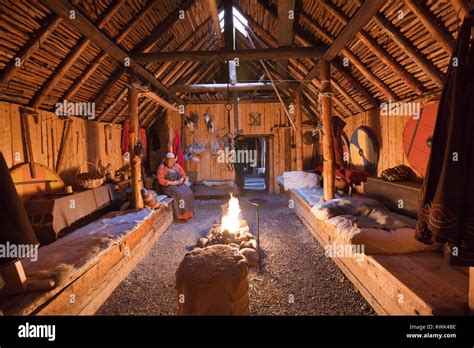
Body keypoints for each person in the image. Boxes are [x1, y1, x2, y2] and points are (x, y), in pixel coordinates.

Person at [157, 152, 194, 221]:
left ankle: (189, 213)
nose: (171, 162)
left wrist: (181, 179)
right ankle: (181, 216)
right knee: (179, 194)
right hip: (168, 186)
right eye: (170, 160)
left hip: (178, 184)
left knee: (189, 192)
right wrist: (171, 183)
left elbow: (183, 174)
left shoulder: (176, 166)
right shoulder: (162, 167)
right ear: (166, 160)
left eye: (173, 160)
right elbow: (160, 179)